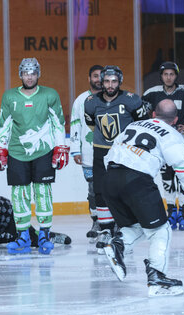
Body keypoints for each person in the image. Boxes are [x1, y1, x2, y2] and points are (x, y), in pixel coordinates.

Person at [102, 99, 184, 296]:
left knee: (136, 226)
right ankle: (157, 278)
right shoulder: (172, 134)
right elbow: (183, 164)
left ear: (153, 114)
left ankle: (118, 244)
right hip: (137, 180)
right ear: (175, 119)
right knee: (160, 230)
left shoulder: (134, 124)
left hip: (110, 178)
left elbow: (111, 152)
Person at [0, 57, 69, 255]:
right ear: (20, 74)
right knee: (20, 194)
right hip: (17, 152)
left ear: (38, 74)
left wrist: (61, 147)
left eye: (33, 72)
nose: (29, 76)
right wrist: (1, 148)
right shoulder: (10, 96)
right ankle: (23, 237)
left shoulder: (49, 94)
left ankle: (44, 234)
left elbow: (58, 123)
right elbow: (5, 125)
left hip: (43, 151)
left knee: (43, 192)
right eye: (26, 73)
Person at [84, 65, 149, 253]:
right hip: (101, 152)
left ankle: (124, 227)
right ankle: (105, 229)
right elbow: (91, 125)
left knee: (124, 190)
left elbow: (141, 125)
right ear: (101, 82)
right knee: (101, 191)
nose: (110, 85)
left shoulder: (132, 100)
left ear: (119, 81)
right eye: (106, 81)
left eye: (114, 81)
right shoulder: (90, 102)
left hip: (124, 152)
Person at [143, 61, 184, 231]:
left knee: (183, 177)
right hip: (163, 143)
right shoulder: (152, 94)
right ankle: (171, 211)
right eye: (165, 74)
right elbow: (143, 115)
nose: (168, 77)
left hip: (182, 142)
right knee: (166, 177)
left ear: (176, 75)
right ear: (161, 76)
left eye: (171, 74)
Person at [70, 64, 103, 240]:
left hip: (111, 154)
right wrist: (75, 149)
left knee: (113, 188)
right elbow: (75, 125)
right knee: (93, 190)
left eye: (101, 76)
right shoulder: (81, 100)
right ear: (89, 79)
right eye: (95, 76)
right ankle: (96, 221)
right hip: (88, 153)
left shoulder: (113, 98)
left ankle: (115, 222)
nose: (98, 79)